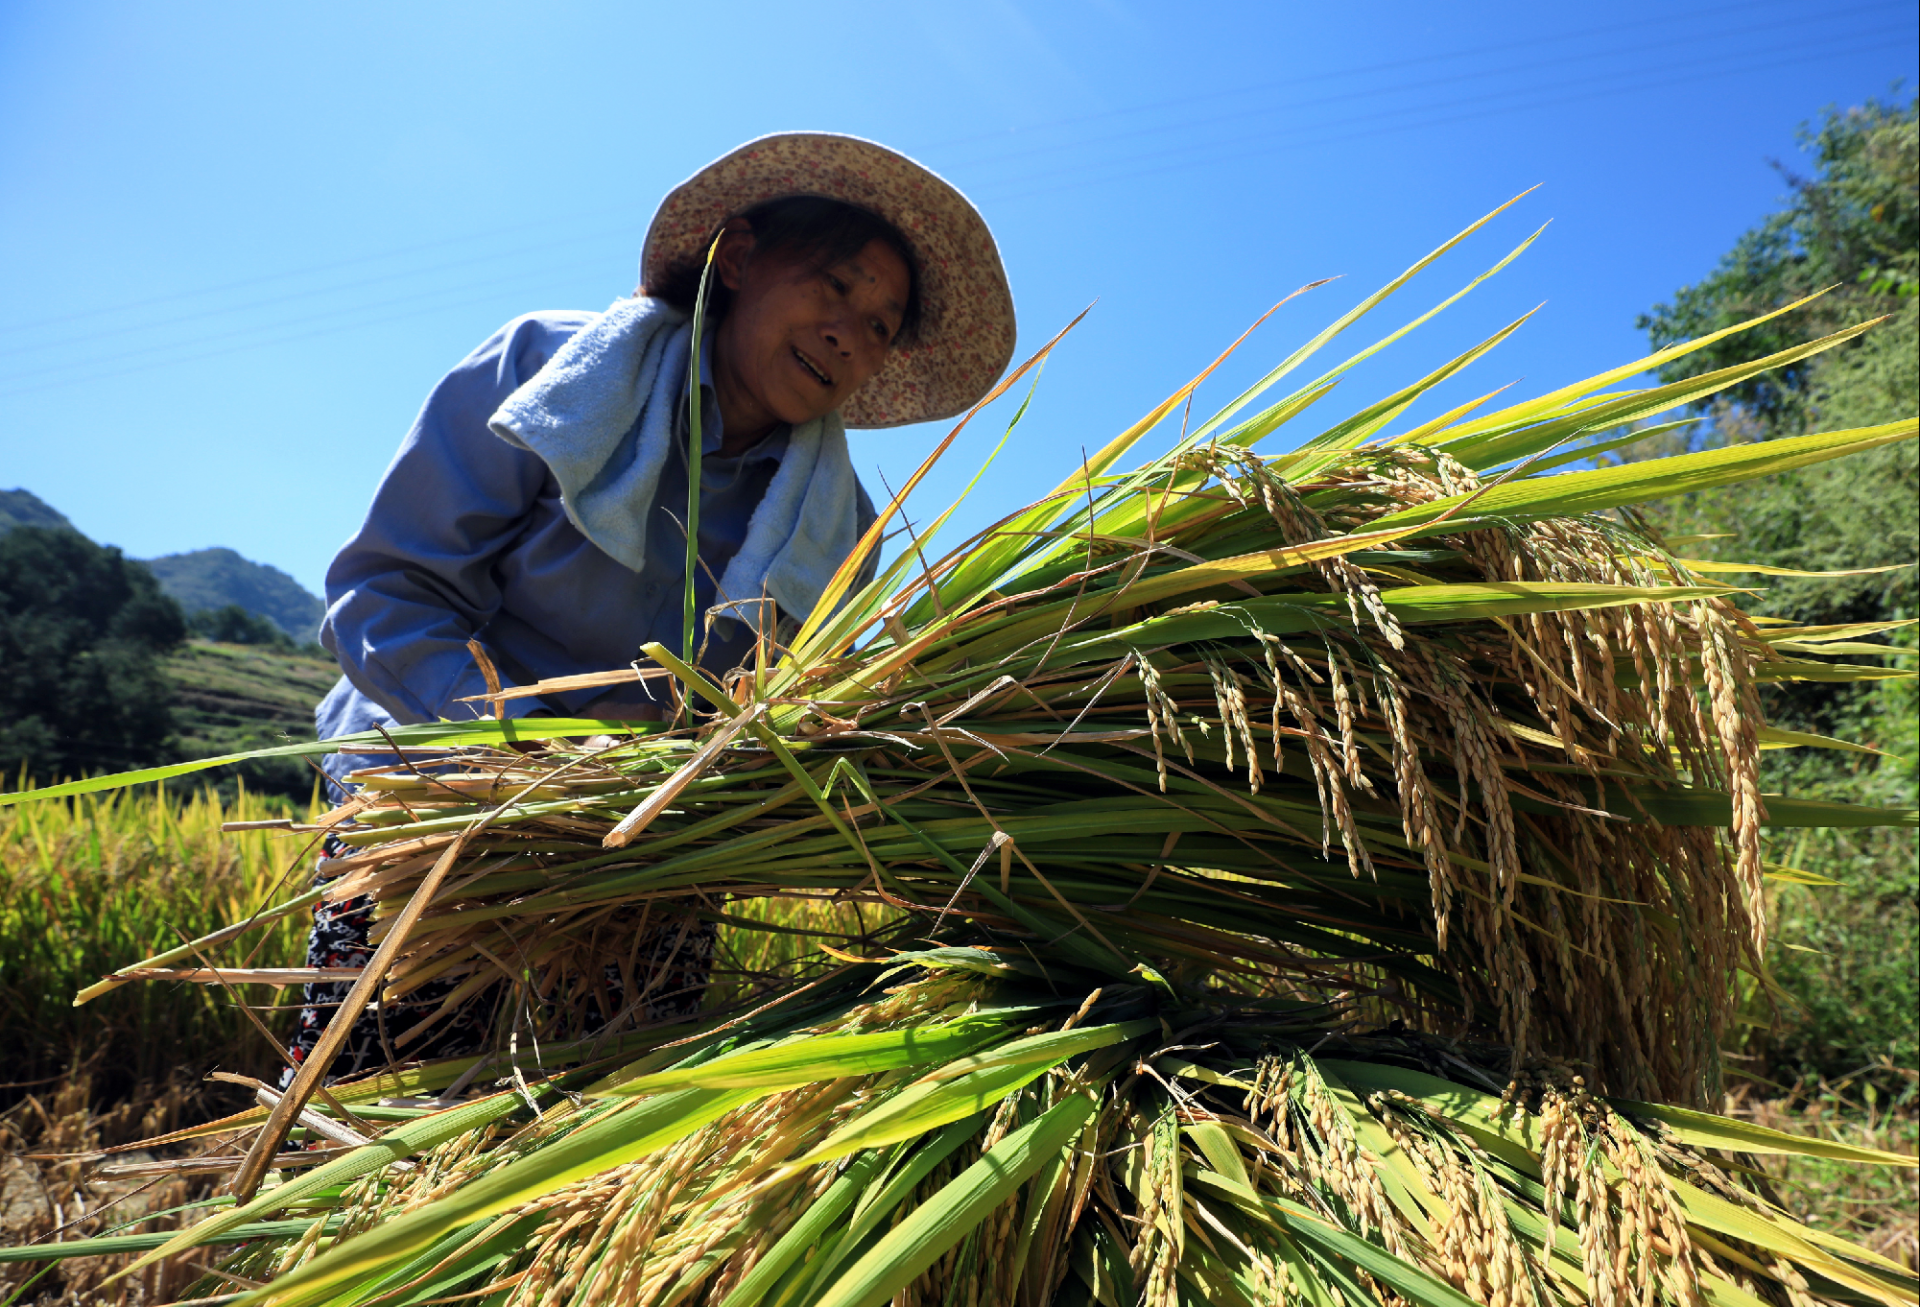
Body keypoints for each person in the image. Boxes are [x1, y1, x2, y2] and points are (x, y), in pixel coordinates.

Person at [283, 133, 1017, 1083]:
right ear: (738, 259)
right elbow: (387, 592)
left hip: (640, 831)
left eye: (881, 325)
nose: (851, 334)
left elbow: (771, 716)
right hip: (440, 771)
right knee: (387, 1080)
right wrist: (526, 754)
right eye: (835, 286)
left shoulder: (837, 533)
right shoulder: (553, 376)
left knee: (612, 1095)